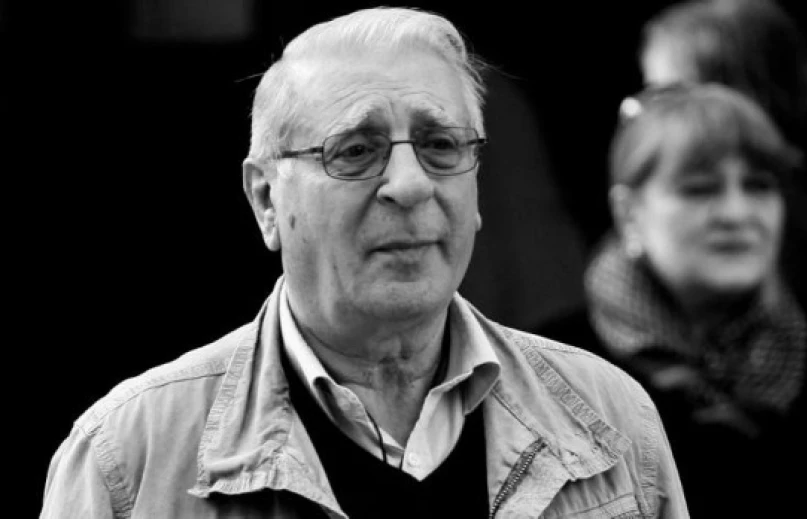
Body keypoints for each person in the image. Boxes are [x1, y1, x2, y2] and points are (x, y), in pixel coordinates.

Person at [40, 7, 688, 518]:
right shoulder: (128, 458)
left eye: (440, 145)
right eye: (354, 150)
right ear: (266, 199)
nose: (410, 184)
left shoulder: (611, 421)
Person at [539, 82, 807, 518]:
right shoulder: (554, 370)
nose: (737, 214)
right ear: (629, 214)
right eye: (700, 189)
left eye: (759, 186)